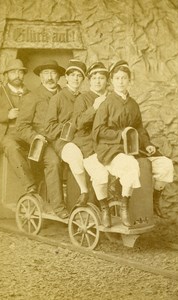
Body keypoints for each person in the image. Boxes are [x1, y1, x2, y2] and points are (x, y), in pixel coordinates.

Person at [92, 60, 174, 227]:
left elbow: (139, 128)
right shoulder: (106, 103)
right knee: (130, 165)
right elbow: (98, 131)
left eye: (124, 78)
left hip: (133, 147)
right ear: (112, 81)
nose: (121, 82)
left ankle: (154, 201)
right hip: (110, 148)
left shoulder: (133, 104)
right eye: (117, 78)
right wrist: (119, 135)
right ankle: (124, 206)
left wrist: (148, 143)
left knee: (166, 164)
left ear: (129, 80)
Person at [16, 60, 68, 219]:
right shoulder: (32, 97)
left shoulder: (65, 94)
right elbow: (21, 126)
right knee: (53, 162)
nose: (50, 77)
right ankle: (58, 207)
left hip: (64, 138)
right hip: (43, 142)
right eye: (46, 73)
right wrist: (35, 137)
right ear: (40, 77)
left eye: (53, 73)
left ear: (59, 76)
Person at [63, 62, 111, 227]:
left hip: (108, 143)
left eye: (101, 78)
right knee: (100, 175)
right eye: (94, 78)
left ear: (107, 81)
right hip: (87, 144)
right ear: (90, 81)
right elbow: (78, 123)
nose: (98, 81)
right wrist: (94, 107)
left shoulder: (112, 97)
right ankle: (101, 208)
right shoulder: (83, 98)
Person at [0, 58, 36, 194]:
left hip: (26, 132)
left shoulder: (31, 95)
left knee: (42, 146)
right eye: (13, 72)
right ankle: (30, 186)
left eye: (20, 72)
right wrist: (7, 114)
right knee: (12, 147)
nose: (17, 75)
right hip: (5, 134)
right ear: (6, 75)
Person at [44, 59, 87, 205]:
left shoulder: (84, 98)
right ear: (66, 77)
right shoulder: (57, 99)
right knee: (75, 157)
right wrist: (68, 126)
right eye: (72, 75)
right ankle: (82, 193)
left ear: (83, 79)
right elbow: (49, 129)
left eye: (79, 75)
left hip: (82, 140)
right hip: (62, 142)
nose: (76, 78)